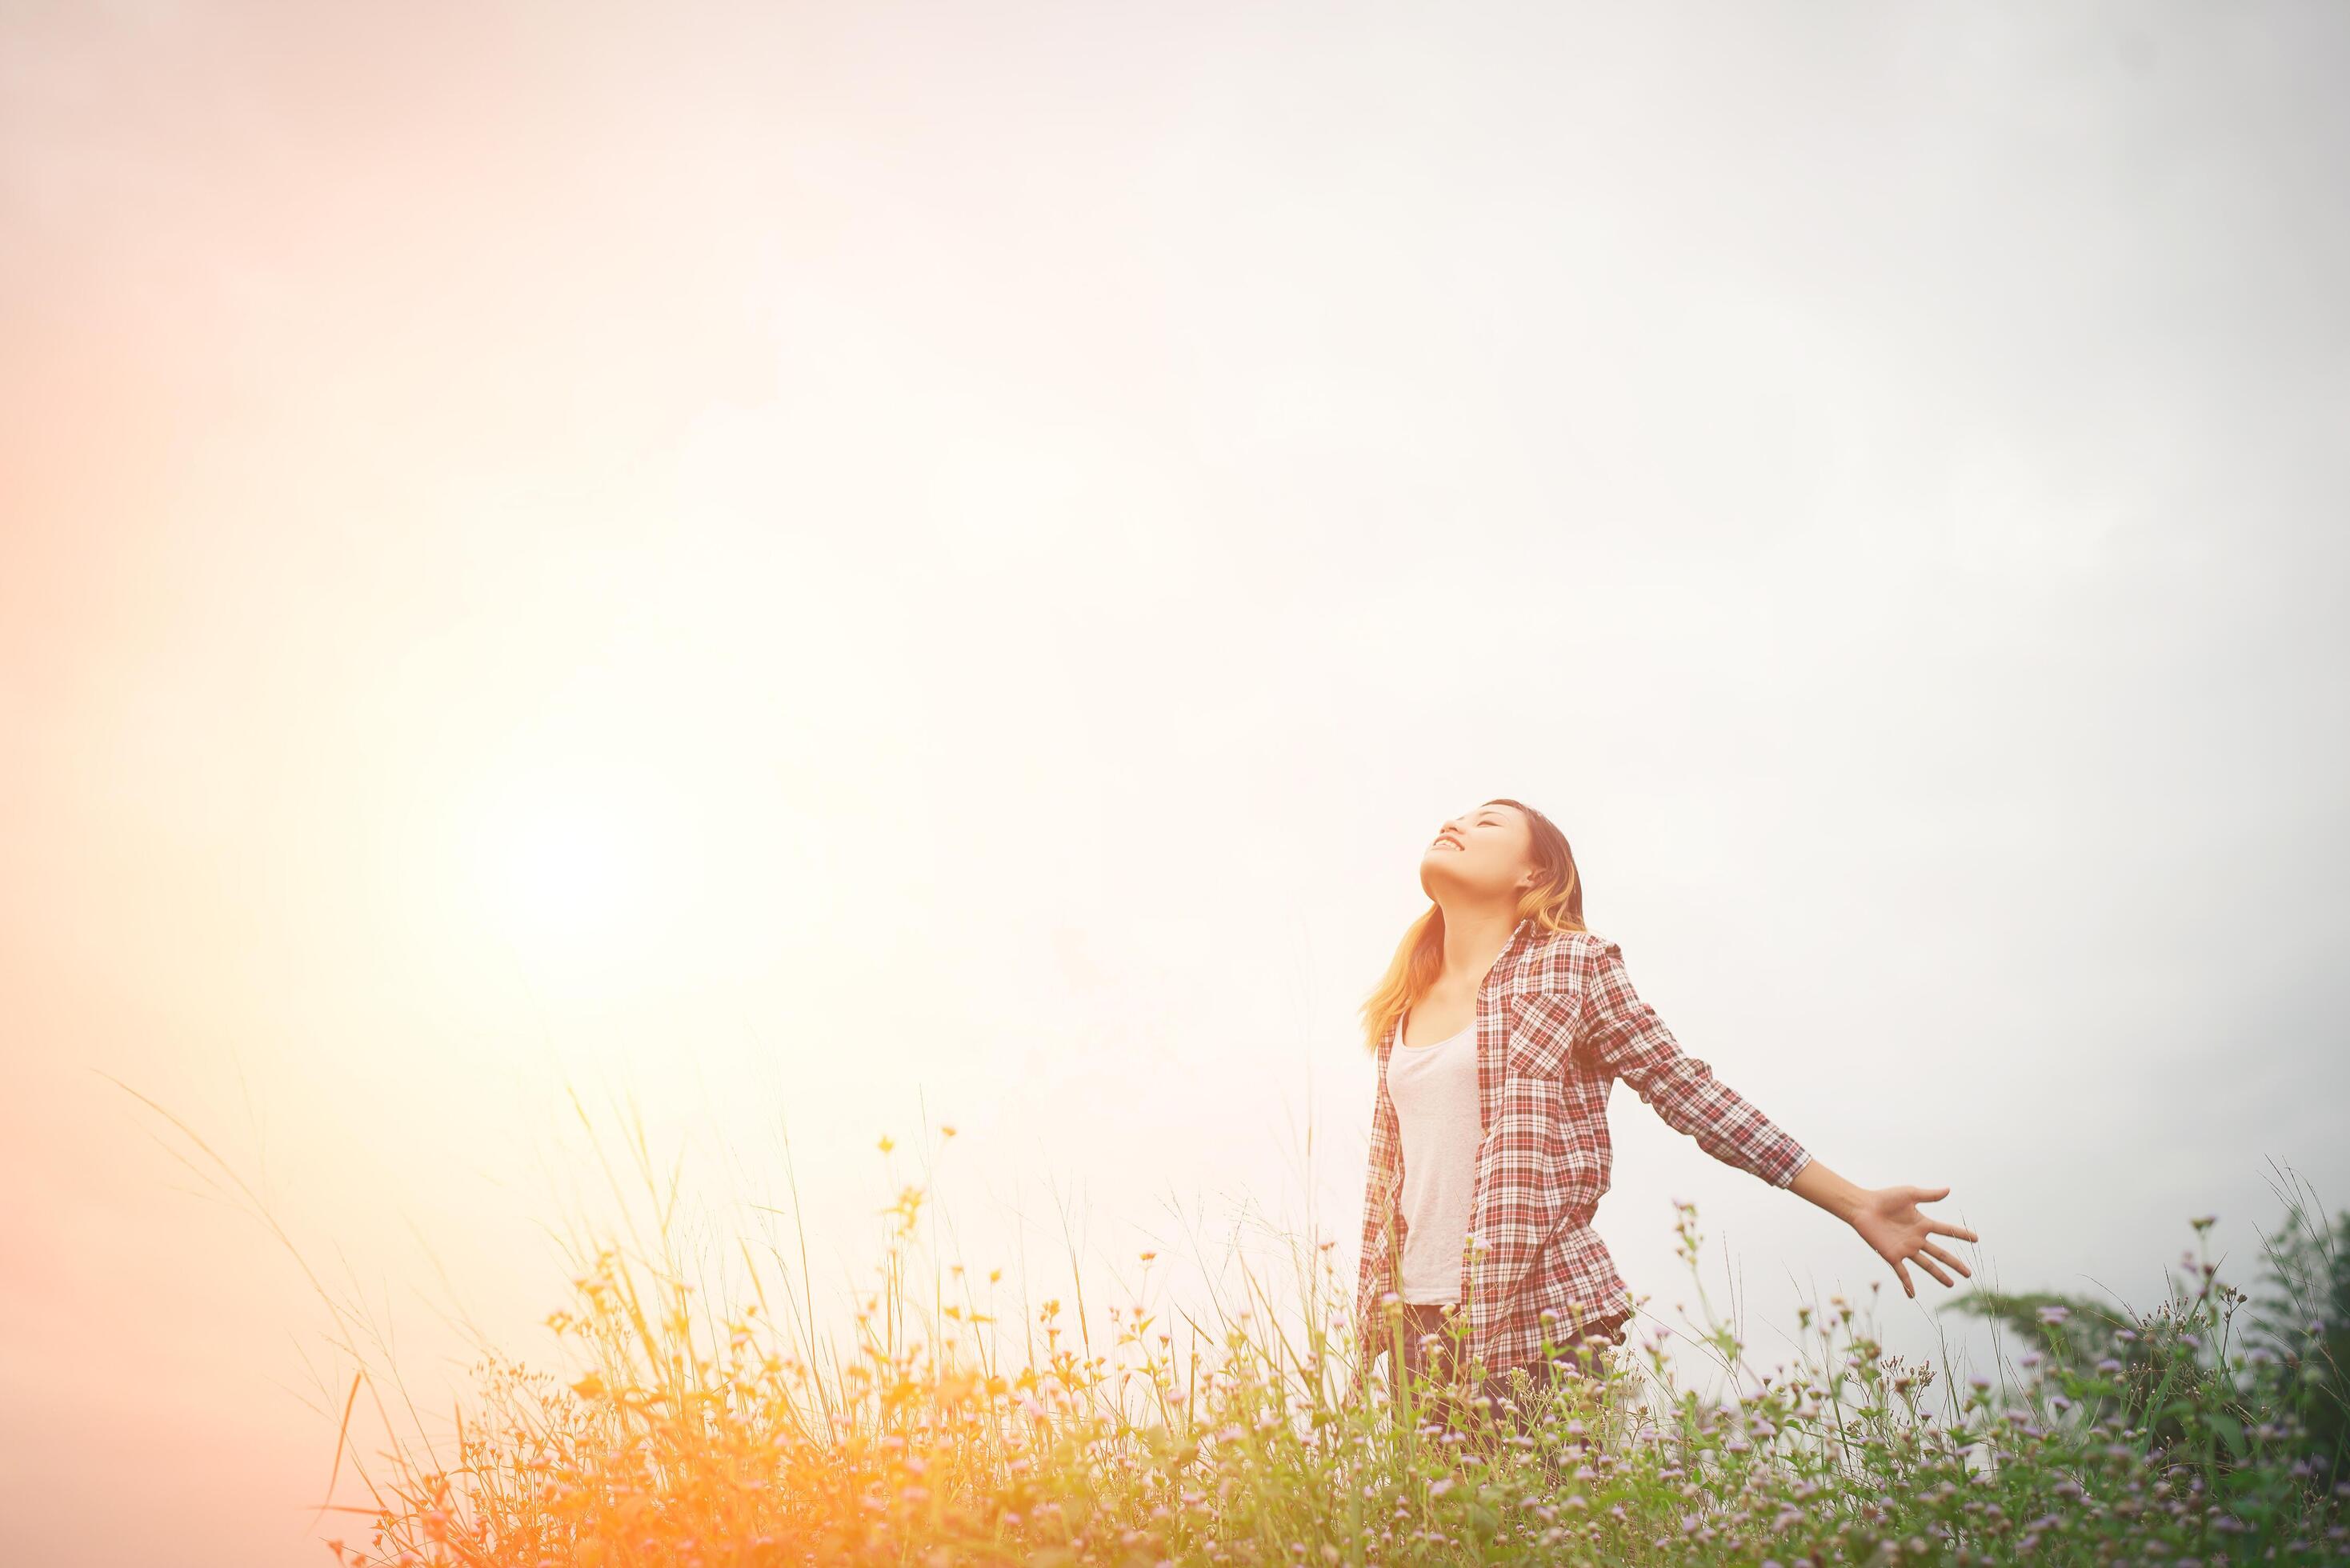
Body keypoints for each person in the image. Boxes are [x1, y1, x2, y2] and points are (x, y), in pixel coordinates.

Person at [1346, 798, 1981, 1438]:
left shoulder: (1573, 964)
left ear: (1532, 876)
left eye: (1486, 824)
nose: (1454, 824)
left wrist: (1853, 1203)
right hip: (1416, 1322)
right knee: (1434, 1535)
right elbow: (1389, 1180)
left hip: (1536, 1312)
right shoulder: (1403, 999)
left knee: (1537, 1535)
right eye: (1456, 818)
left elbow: (1687, 1091)